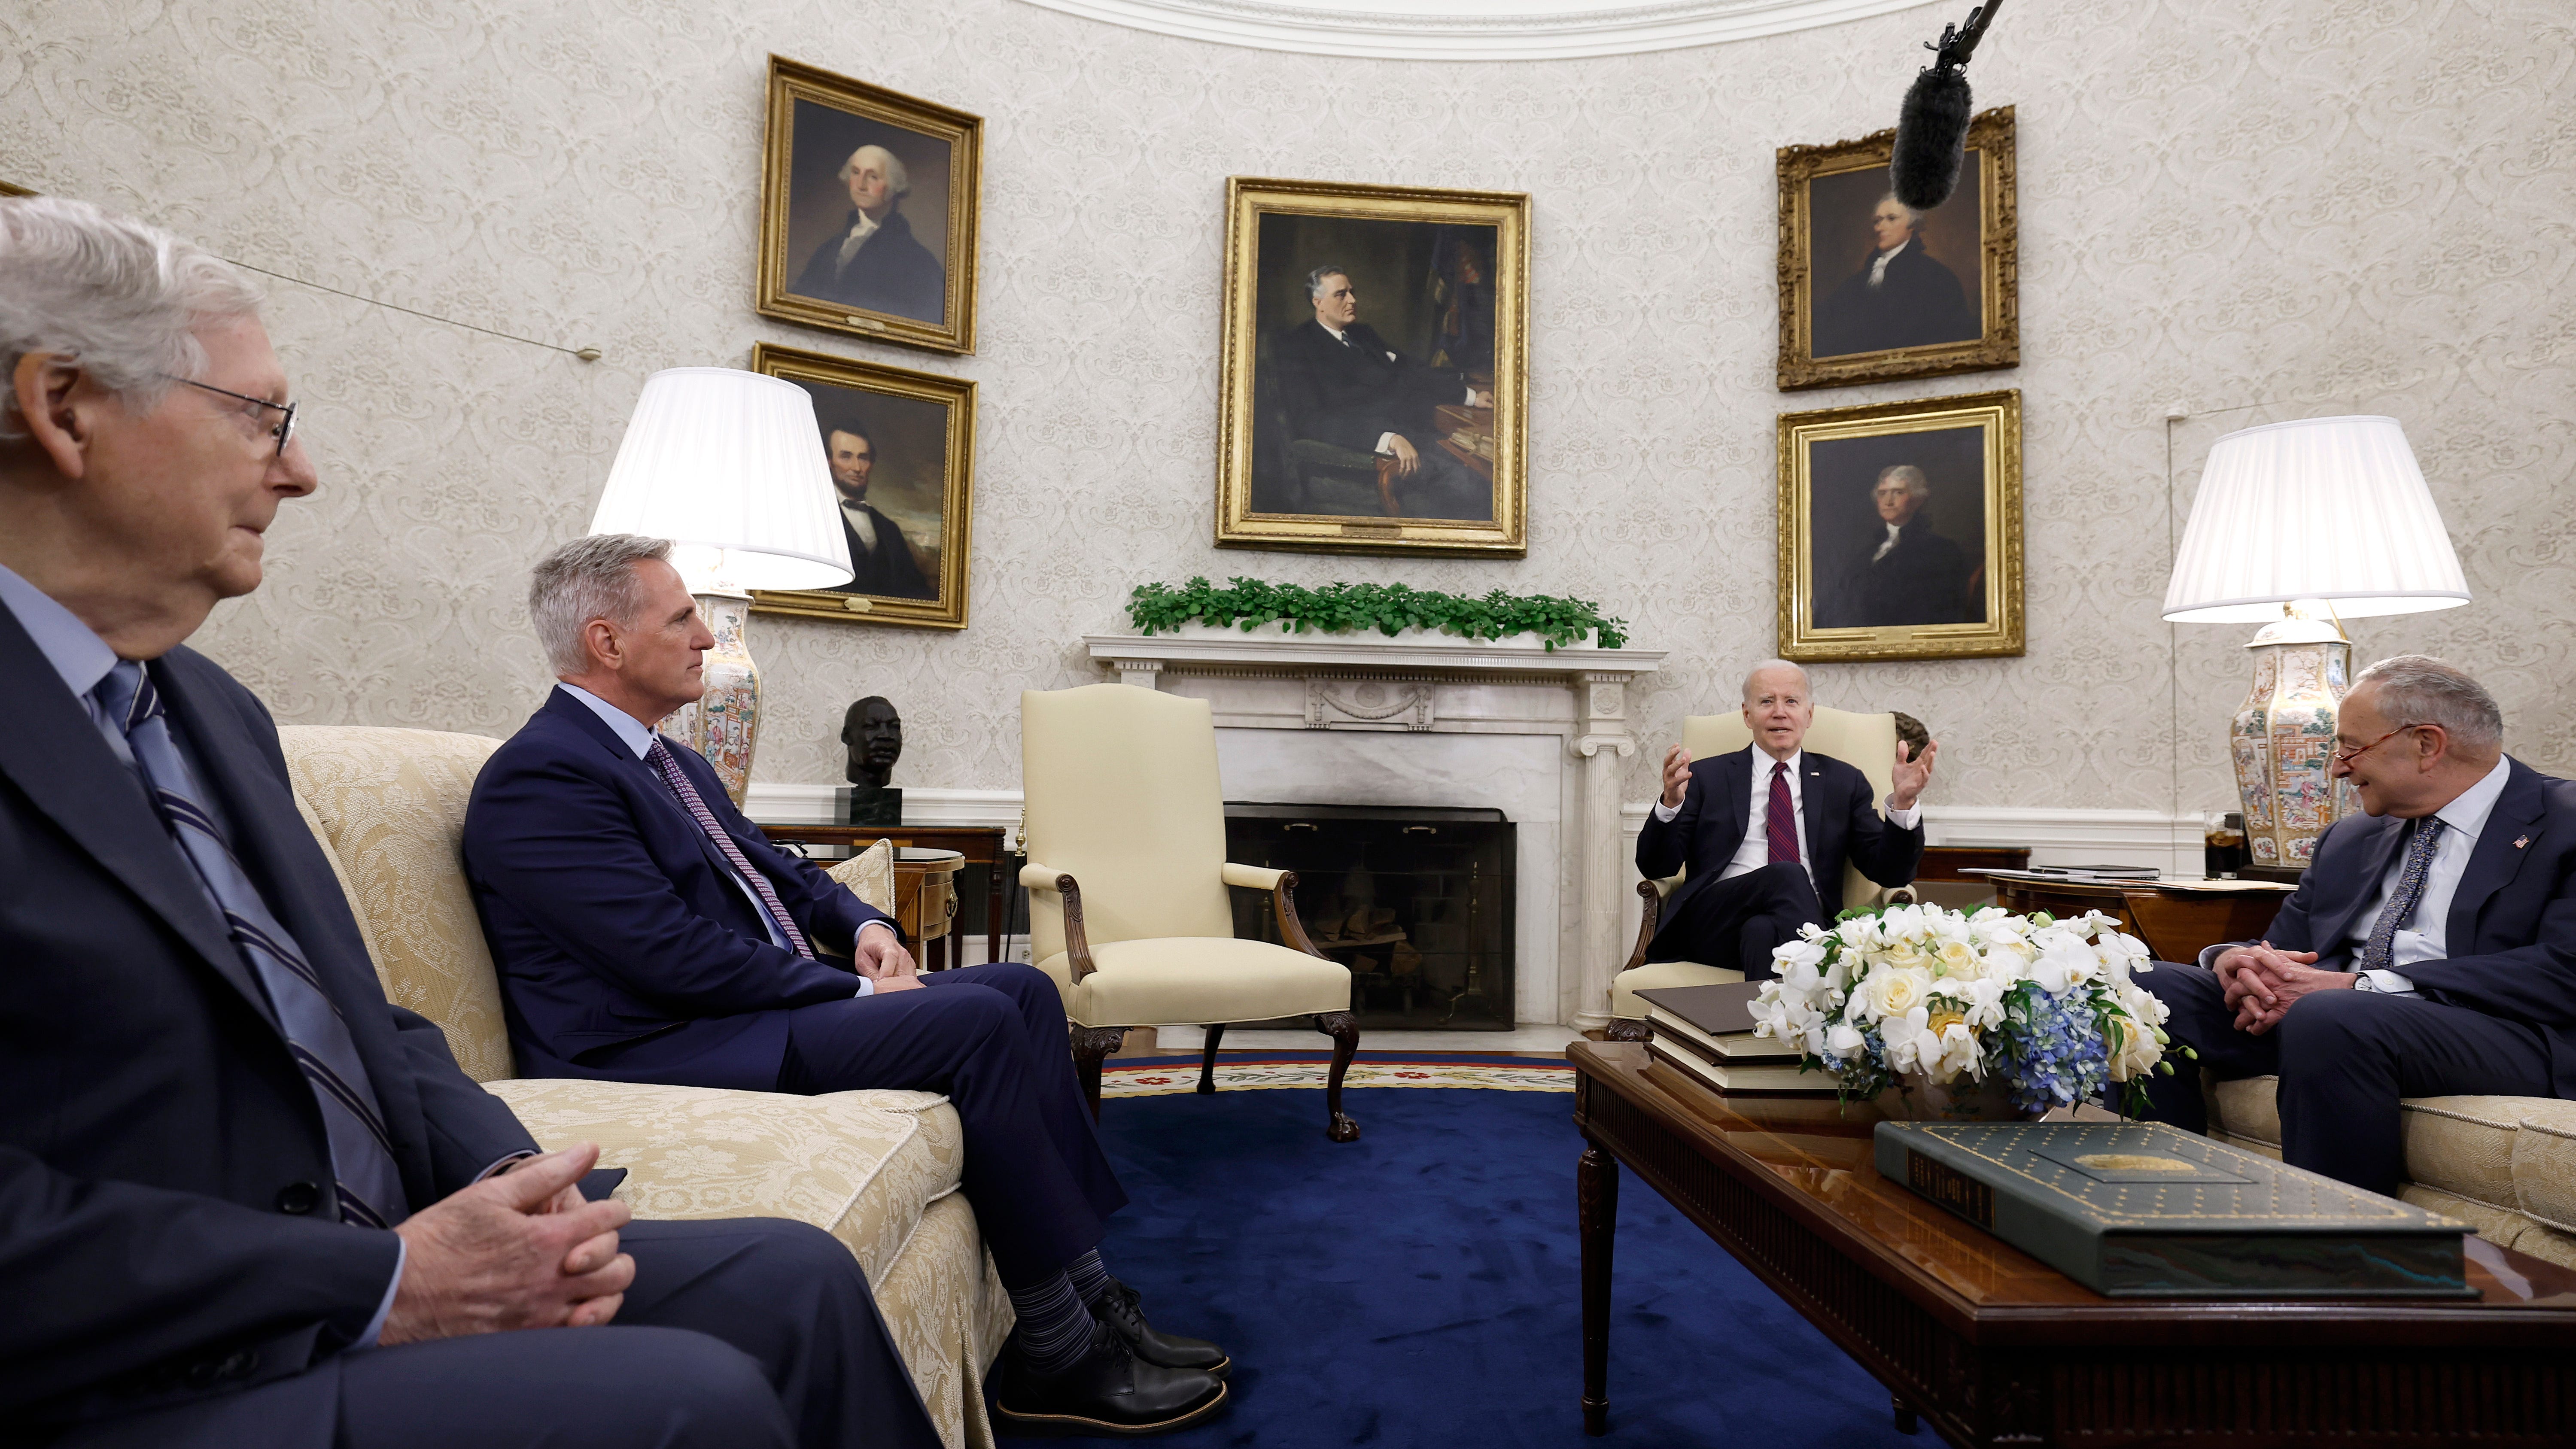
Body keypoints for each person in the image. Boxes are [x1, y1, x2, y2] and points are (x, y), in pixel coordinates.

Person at [0, 195, 936, 1449]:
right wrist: (386, 1285)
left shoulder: (209, 708)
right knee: (687, 1403)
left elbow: (357, 1017)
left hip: (354, 1258)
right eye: (259, 417)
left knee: (793, 1281)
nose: (302, 468)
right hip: (149, 1358)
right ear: (64, 407)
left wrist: (503, 1187)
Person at [461, 535, 1231, 1437]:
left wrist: (867, 931)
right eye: (679, 617)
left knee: (1023, 992)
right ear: (606, 641)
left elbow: (785, 875)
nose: (705, 635)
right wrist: (859, 999)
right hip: (656, 1043)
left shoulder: (673, 761)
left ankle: (1094, 1300)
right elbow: (664, 956)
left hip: (734, 1010)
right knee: (977, 1023)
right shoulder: (543, 774)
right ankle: (1056, 1352)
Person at [2135, 656, 2576, 1196]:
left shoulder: (2562, 820)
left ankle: (2340, 1255)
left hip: (2504, 1031)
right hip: (2335, 1024)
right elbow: (2288, 950)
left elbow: (2562, 969)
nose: (2338, 768)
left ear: (2426, 745)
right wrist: (2236, 960)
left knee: (2331, 1014)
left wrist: (2361, 986)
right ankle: (2158, 1209)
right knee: (2147, 988)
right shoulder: (2349, 840)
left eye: (2349, 747)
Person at [1636, 661, 1934, 977]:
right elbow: (1657, 867)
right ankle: (1825, 966)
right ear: (1747, 714)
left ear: (1809, 714)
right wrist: (1670, 802)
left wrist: (1903, 803)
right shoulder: (1705, 776)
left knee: (1761, 931)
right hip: (1714, 921)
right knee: (1787, 875)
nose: (1780, 712)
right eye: (1766, 701)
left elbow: (1890, 871)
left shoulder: (1843, 781)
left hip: (1789, 924)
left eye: (1791, 701)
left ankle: (1765, 1024)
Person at [1271, 264, 1493, 520]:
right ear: (1318, 302)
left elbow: (1411, 370)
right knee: (1470, 484)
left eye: (1352, 292)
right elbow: (1311, 420)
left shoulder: (1362, 334)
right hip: (1369, 456)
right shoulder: (1298, 347)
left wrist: (1471, 396)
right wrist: (1388, 438)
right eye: (1341, 295)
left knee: (1481, 467)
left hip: (1417, 436)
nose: (1353, 300)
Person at [789, 143, 945, 324]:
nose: (861, 185)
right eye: (856, 173)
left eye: (873, 177)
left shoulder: (918, 261)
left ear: (894, 186)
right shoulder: (828, 250)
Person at [1812, 193, 1975, 358]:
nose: (1879, 228)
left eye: (1891, 219)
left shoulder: (1936, 277)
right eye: (1877, 221)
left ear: (1912, 225)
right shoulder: (1858, 281)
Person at [1816, 465, 1973, 628]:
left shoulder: (1941, 551)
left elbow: (1940, 612)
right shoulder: (1866, 554)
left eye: (1898, 492)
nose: (1888, 502)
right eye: (1882, 493)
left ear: (1918, 499)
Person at [819, 420, 932, 600]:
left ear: (871, 463)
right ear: (829, 462)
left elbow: (918, 594)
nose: (857, 468)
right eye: (846, 457)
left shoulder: (890, 529)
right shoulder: (814, 519)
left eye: (863, 458)